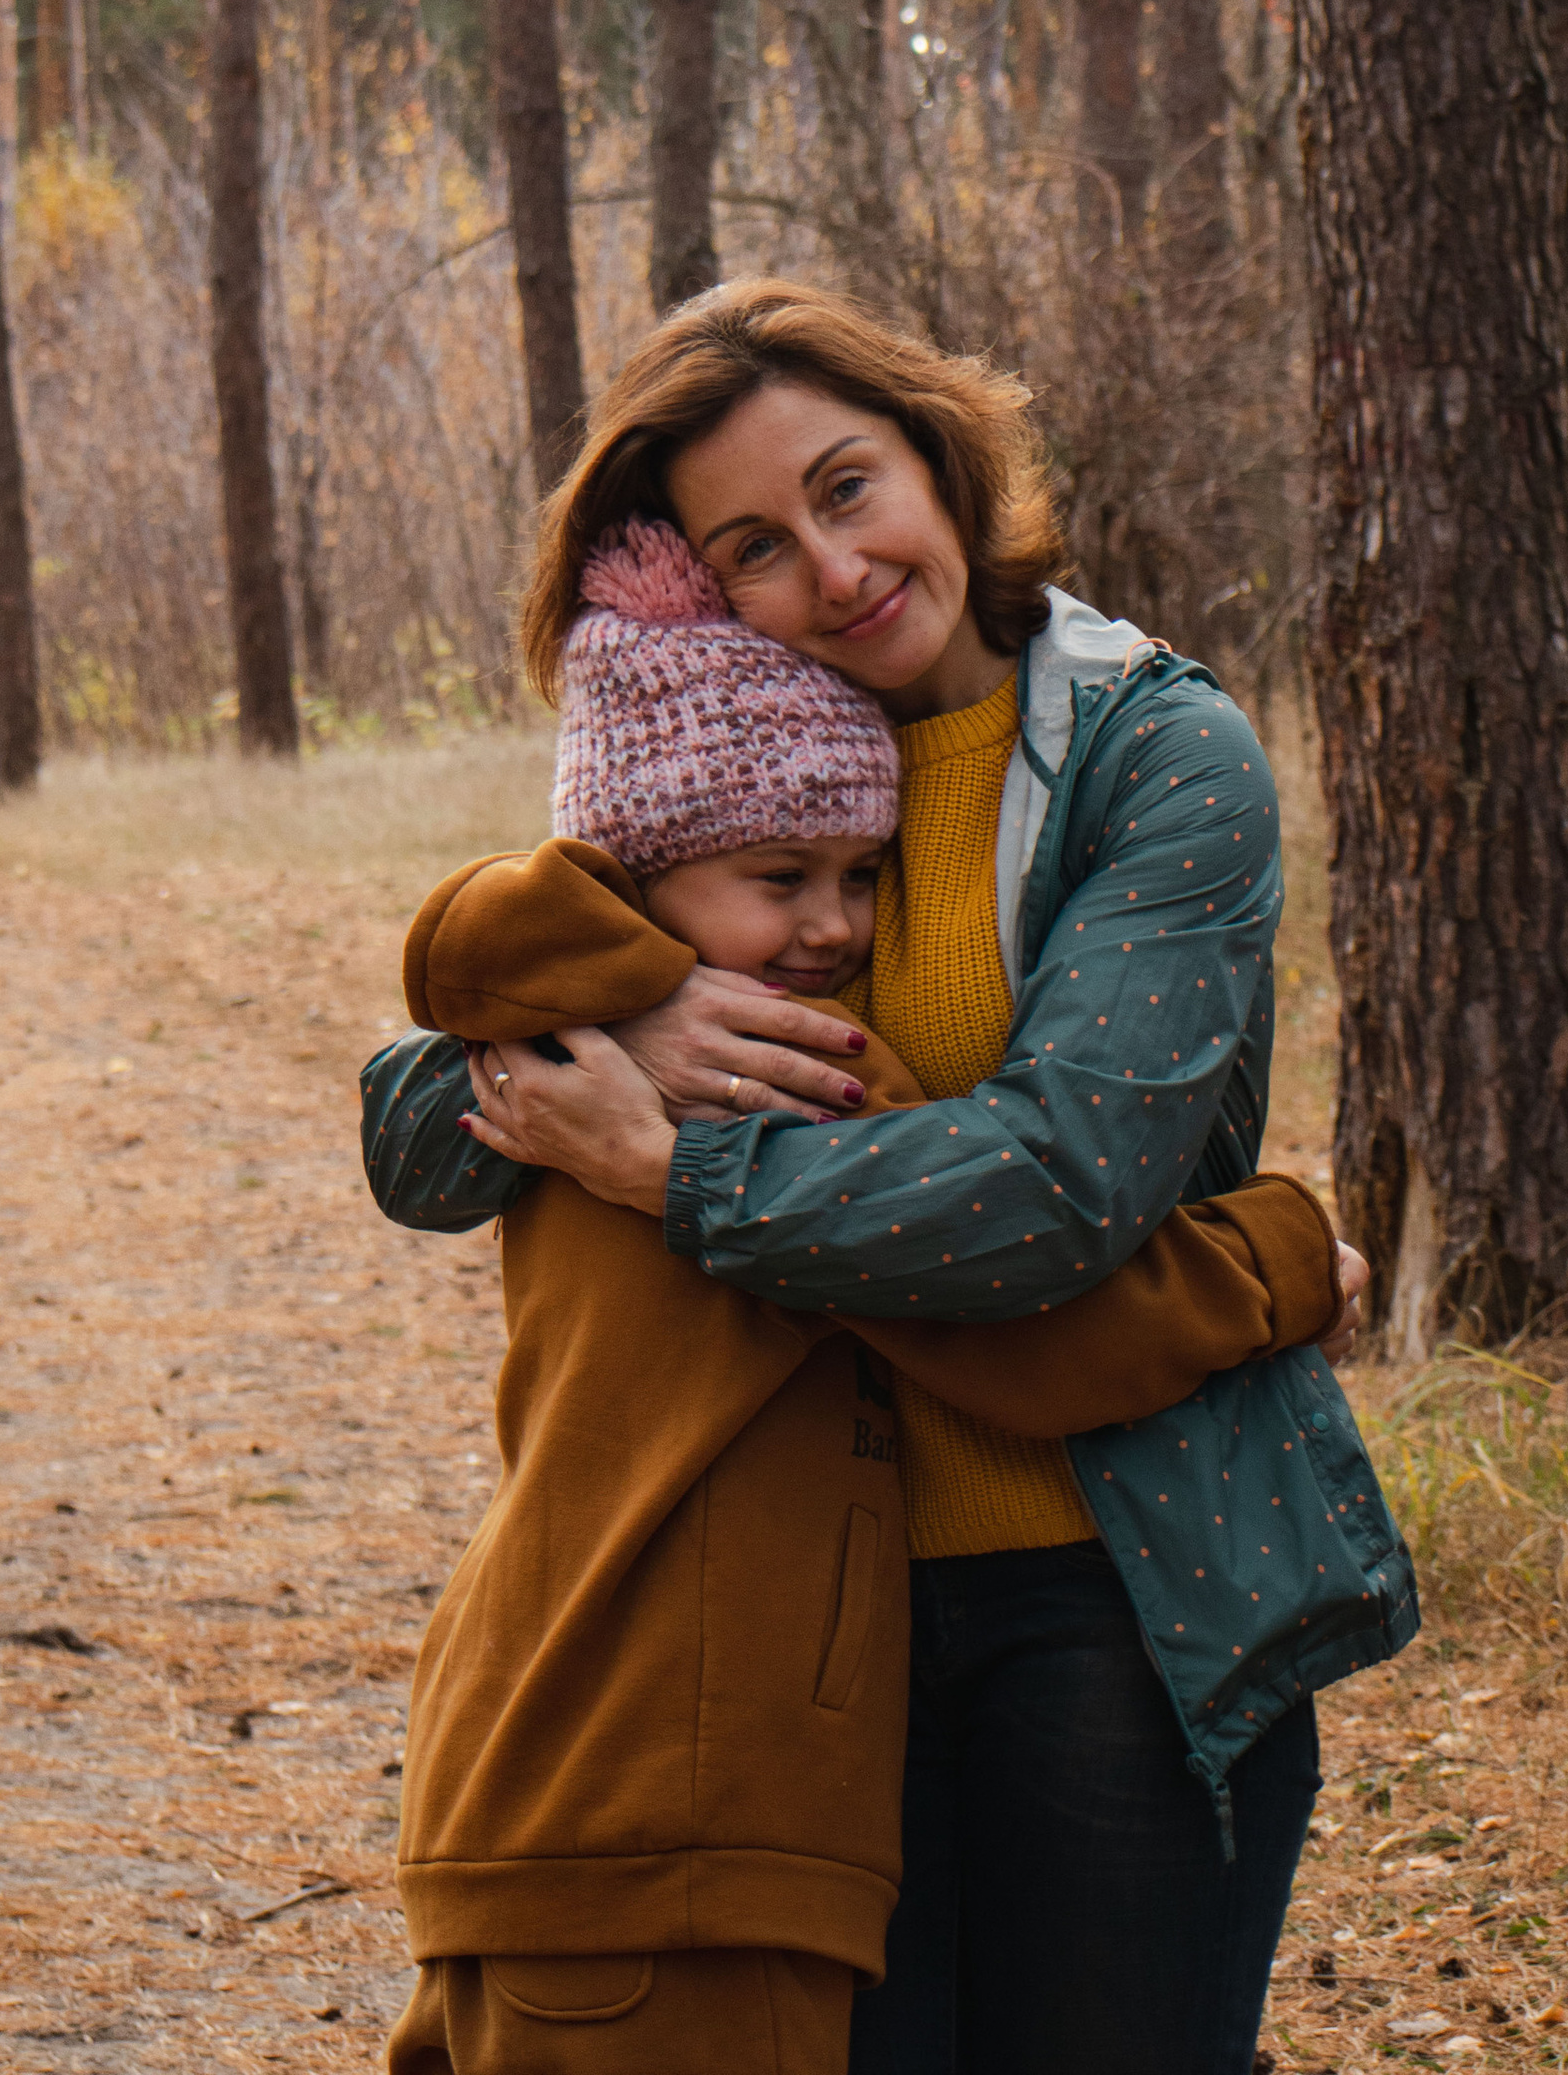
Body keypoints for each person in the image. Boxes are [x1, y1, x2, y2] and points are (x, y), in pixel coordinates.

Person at [364, 280, 1416, 2075]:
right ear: (700, 586)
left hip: (1110, 1602)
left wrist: (674, 1173)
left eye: (850, 487)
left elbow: (1054, 1189)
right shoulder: (739, 775)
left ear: (939, 449)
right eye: (757, 545)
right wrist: (632, 1011)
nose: (834, 570)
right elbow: (418, 1121)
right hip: (806, 1642)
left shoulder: (1156, 757)